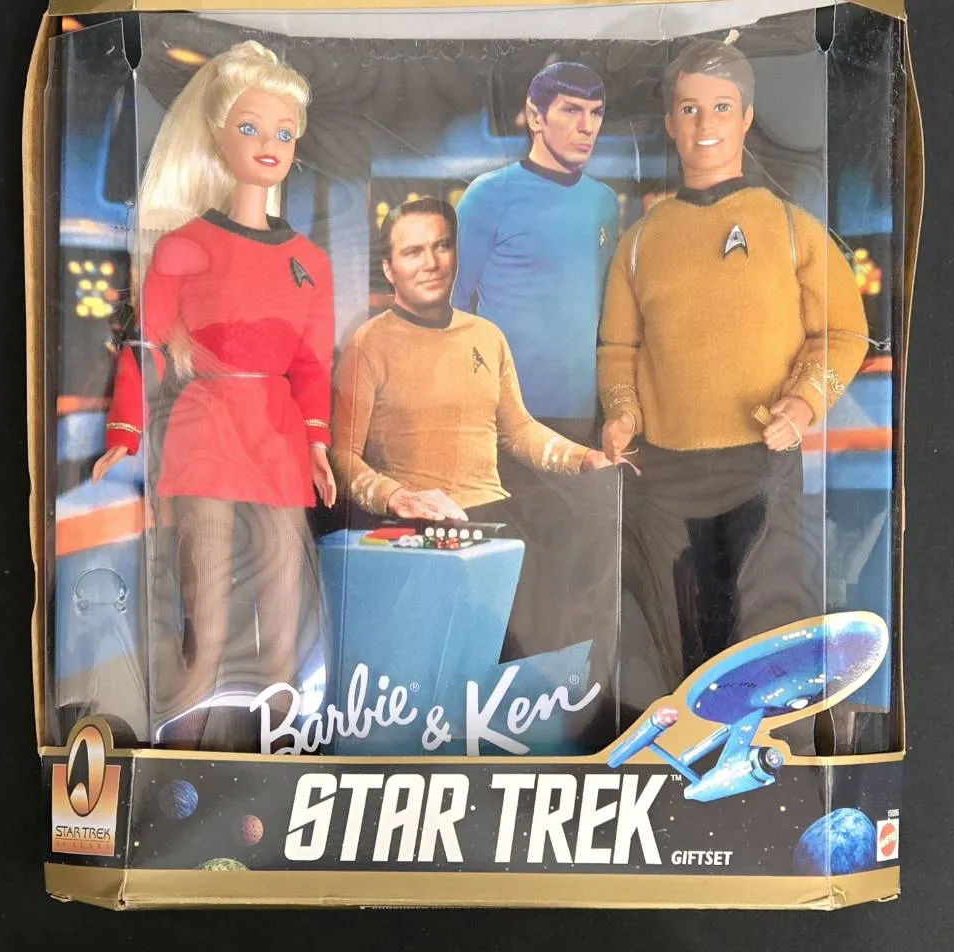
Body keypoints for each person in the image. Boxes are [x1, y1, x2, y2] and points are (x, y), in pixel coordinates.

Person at [597, 38, 870, 734]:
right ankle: (683, 759)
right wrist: (622, 413)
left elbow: (844, 332)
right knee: (676, 637)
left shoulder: (790, 229)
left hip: (761, 465)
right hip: (664, 476)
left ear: (747, 117)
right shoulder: (641, 241)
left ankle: (780, 756)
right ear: (670, 122)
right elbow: (619, 349)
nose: (705, 123)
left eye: (721, 107)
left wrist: (803, 403)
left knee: (770, 626)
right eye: (689, 108)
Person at [92, 41, 335, 749]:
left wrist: (318, 443)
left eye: (284, 132)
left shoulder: (310, 262)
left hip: (278, 438)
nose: (269, 144)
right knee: (209, 622)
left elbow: (312, 365)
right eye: (251, 128)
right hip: (206, 429)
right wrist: (125, 434)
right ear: (219, 136)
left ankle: (277, 753)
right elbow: (146, 348)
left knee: (284, 625)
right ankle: (181, 752)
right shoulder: (184, 246)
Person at [330, 196, 618, 675]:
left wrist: (584, 459)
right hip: (419, 531)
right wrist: (398, 497)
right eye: (413, 252)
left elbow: (519, 430)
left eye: (442, 246)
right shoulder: (367, 344)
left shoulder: (487, 336)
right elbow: (343, 456)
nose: (431, 262)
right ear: (388, 268)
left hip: (496, 525)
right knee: (443, 669)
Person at [452, 62, 620, 449]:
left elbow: (604, 311)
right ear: (535, 116)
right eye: (571, 110)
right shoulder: (488, 195)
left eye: (596, 113)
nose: (587, 127)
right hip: (504, 416)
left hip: (582, 416)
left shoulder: (604, 202)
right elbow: (452, 308)